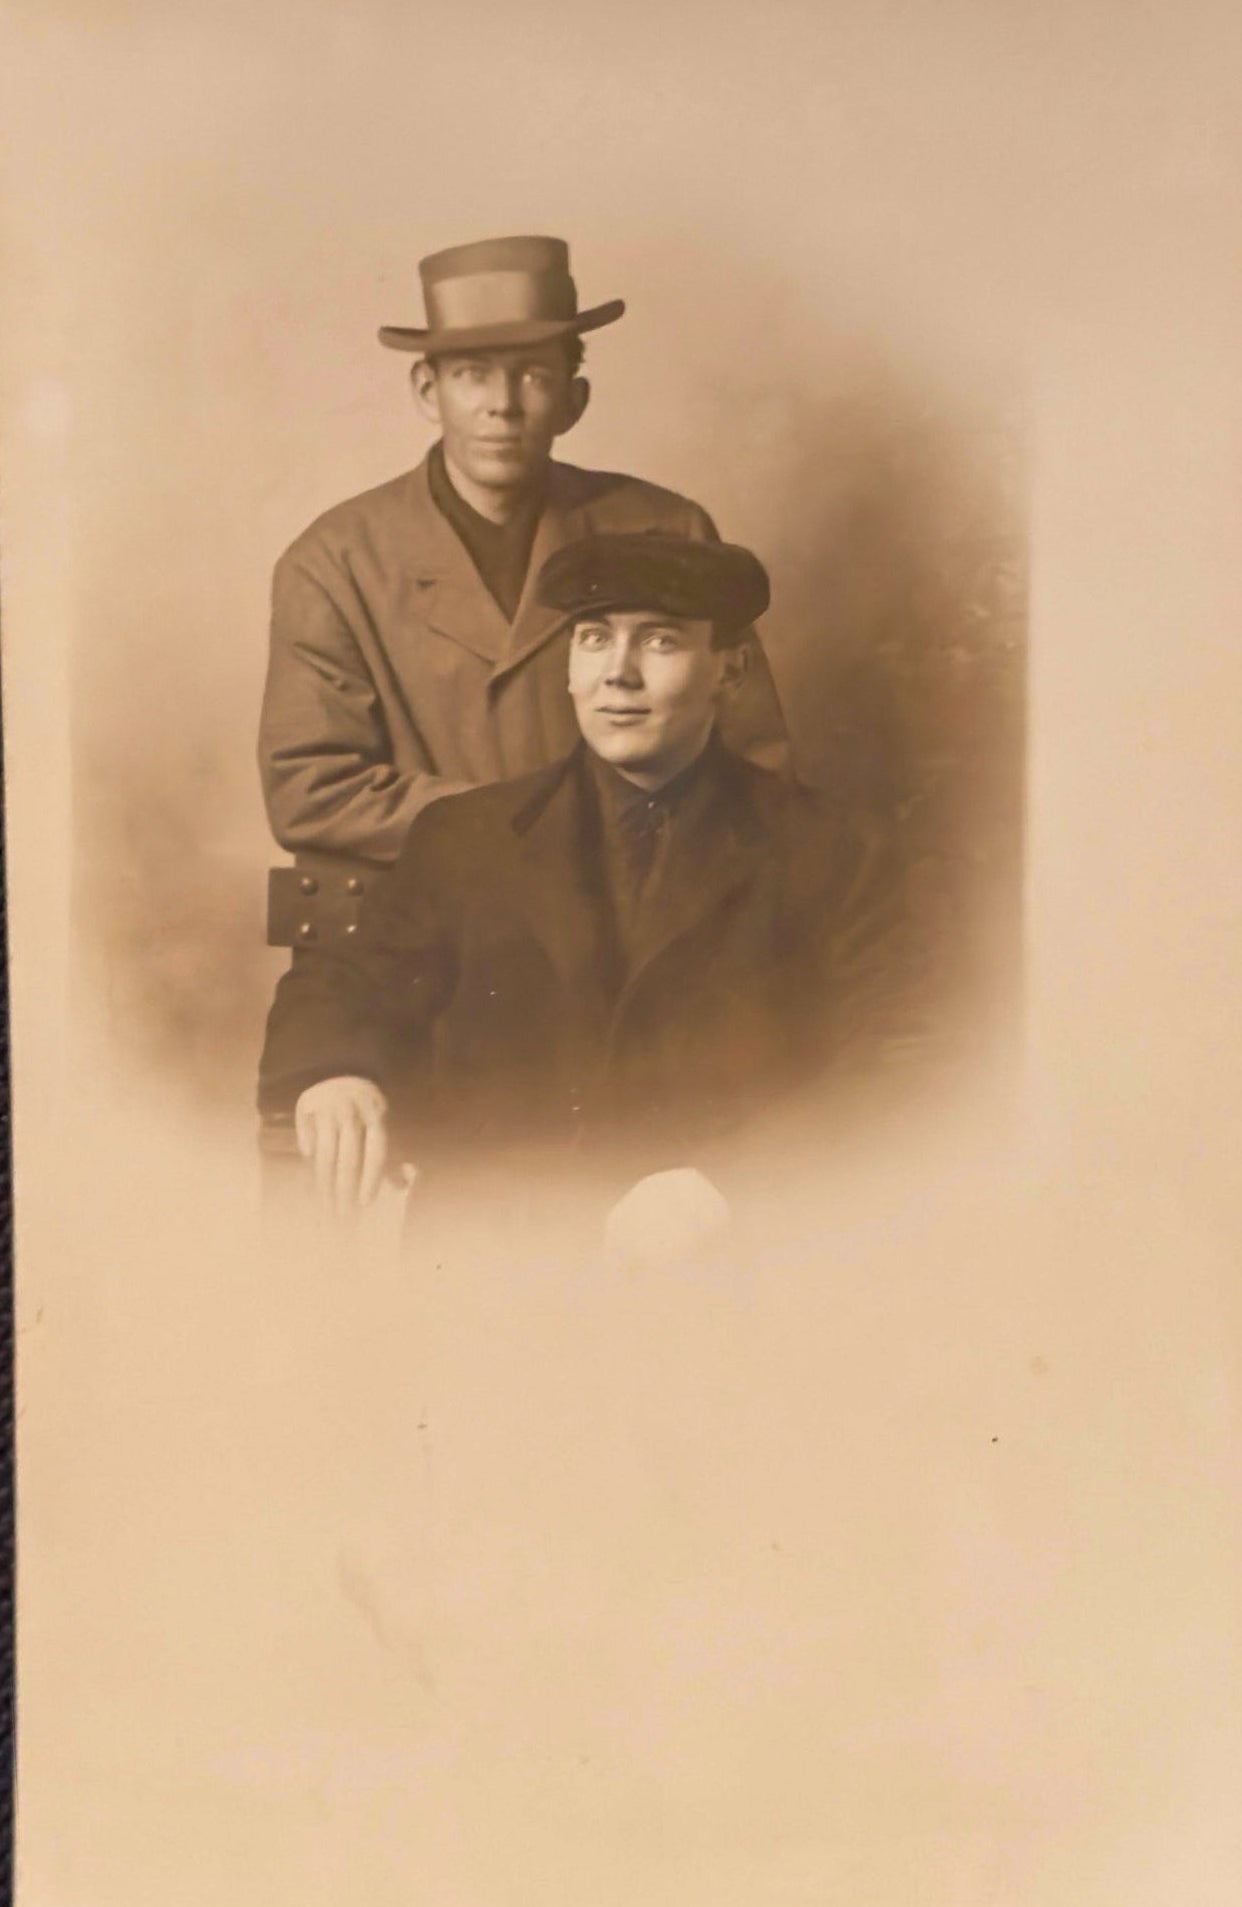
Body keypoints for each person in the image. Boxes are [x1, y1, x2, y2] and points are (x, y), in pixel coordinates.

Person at [258, 532, 927, 1251]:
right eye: (594, 639)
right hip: (493, 1257)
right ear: (570, 668)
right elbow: (344, 980)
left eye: (660, 642)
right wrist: (336, 1070)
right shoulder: (465, 836)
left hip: (722, 1262)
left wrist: (733, 1183)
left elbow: (900, 1064)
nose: (618, 674)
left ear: (729, 670)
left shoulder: (834, 849)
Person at [258, 235, 789, 967]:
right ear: (426, 391)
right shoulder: (333, 561)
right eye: (472, 374)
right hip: (422, 945)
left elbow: (758, 760)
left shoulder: (667, 530)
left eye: (533, 375)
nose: (502, 406)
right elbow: (310, 790)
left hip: (634, 941)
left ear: (573, 399)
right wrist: (538, 828)